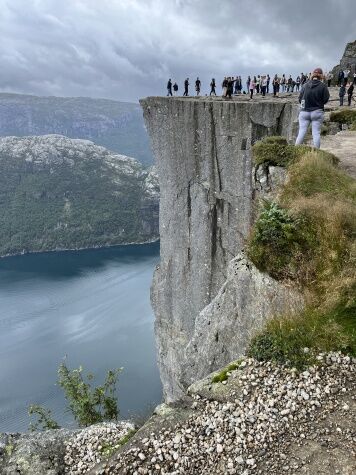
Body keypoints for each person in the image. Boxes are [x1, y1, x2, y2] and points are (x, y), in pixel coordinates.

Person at [295, 68, 330, 149]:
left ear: (312, 75)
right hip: (317, 112)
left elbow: (300, 99)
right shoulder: (323, 86)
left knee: (301, 132)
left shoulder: (305, 85)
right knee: (316, 133)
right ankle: (316, 153)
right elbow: (326, 99)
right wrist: (319, 103)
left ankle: (295, 150)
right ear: (321, 76)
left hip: (304, 112)